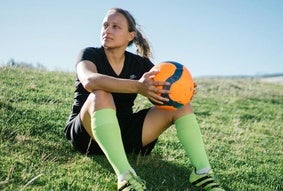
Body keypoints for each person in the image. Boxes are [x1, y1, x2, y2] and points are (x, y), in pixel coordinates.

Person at [64, 7, 225, 191]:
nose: (107, 30)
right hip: (87, 134)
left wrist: (182, 91)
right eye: (105, 25)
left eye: (116, 26)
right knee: (100, 94)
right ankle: (125, 177)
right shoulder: (89, 54)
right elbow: (89, 81)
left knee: (180, 106)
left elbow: (161, 88)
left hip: (125, 133)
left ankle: (202, 172)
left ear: (130, 36)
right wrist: (137, 86)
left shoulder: (140, 64)